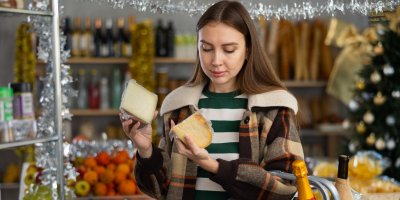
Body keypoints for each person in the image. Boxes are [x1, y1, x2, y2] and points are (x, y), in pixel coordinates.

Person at [121, 1, 304, 199]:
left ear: (248, 50)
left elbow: (287, 187)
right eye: (207, 48)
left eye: (229, 50)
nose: (216, 61)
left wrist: (213, 166)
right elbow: (163, 190)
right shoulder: (179, 106)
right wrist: (146, 150)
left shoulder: (274, 108)